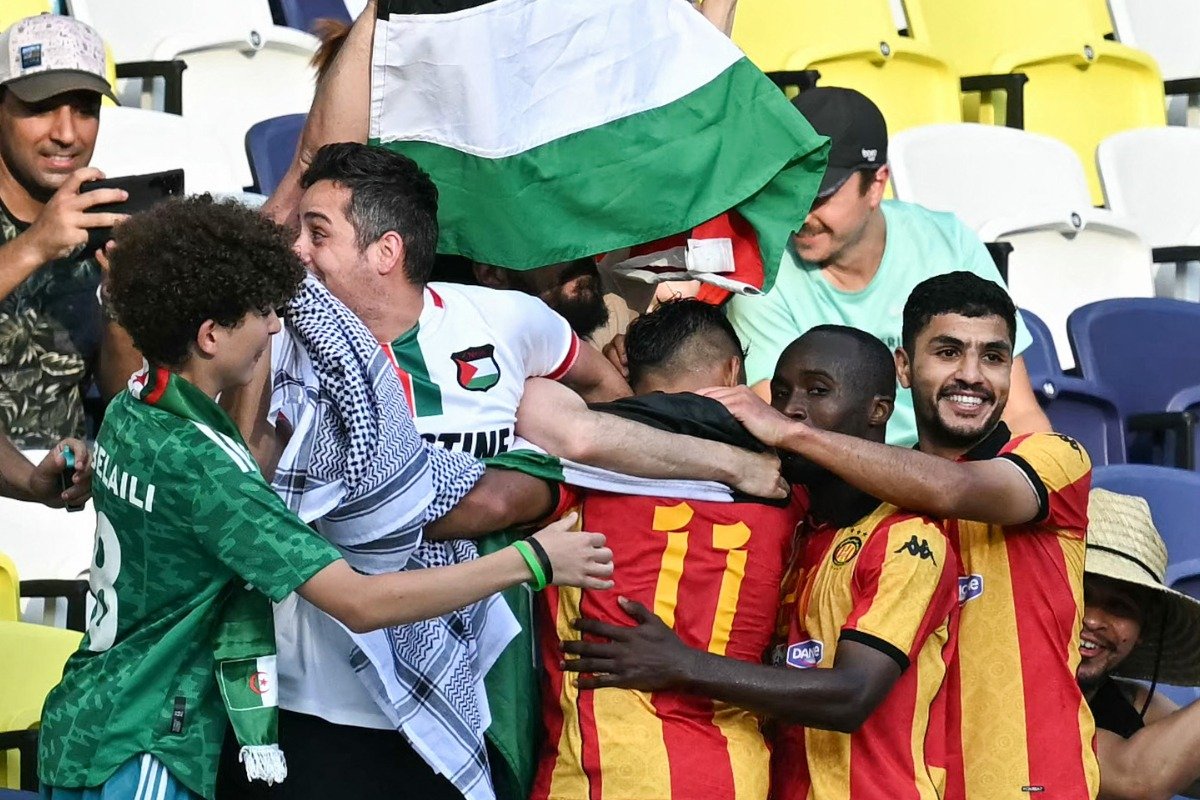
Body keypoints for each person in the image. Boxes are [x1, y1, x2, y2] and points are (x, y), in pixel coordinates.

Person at [216, 142, 782, 800]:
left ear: (386, 251)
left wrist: (565, 456)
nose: (299, 255)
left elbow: (606, 398)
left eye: (317, 234)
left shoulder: (507, 322)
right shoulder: (275, 342)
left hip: (478, 686)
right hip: (315, 698)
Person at [37, 195, 613, 800]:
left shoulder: (133, 408)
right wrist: (530, 561)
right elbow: (360, 603)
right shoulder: (207, 471)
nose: (276, 326)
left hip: (88, 719)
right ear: (209, 335)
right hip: (148, 743)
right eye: (260, 312)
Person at [703, 271, 1098, 800]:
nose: (972, 376)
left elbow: (953, 488)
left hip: (1033, 786)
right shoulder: (862, 508)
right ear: (904, 367)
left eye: (994, 358)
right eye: (948, 352)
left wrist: (792, 430)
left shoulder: (1055, 459)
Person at [563, 325, 959, 800]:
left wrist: (680, 664)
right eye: (782, 391)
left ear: (879, 410)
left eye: (817, 391)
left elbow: (852, 695)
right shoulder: (800, 528)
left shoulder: (907, 538)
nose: (791, 409)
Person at [523, 305, 807, 800]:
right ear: (732, 371)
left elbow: (527, 394)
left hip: (601, 772)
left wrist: (604, 385)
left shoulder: (578, 475)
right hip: (733, 775)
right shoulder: (791, 492)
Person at [722, 87, 1050, 447]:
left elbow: (1019, 412)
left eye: (818, 195)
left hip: (964, 475)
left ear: (876, 185)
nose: (799, 215)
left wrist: (1044, 484)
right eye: (787, 192)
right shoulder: (763, 264)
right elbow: (786, 426)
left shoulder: (949, 241)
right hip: (837, 481)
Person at [0, 14, 139, 447]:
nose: (66, 134)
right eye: (41, 108)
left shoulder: (99, 222)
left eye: (85, 110)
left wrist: (118, 306)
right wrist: (35, 246)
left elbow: (122, 396)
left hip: (63, 488)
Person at [1078, 488, 1200, 800]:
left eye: (1120, 607)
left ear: (1144, 630)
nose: (1093, 620)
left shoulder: (1134, 703)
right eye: (1081, 595)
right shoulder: (1007, 694)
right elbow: (1137, 779)